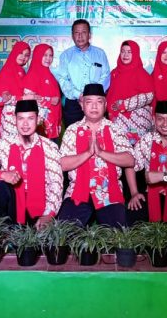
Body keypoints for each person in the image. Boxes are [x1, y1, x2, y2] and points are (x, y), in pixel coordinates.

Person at [0, 99, 63, 229]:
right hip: (13, 204)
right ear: (14, 120)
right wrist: (2, 174)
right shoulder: (4, 144)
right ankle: (3, 229)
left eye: (30, 118)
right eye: (21, 118)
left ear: (38, 120)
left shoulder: (50, 147)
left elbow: (56, 184)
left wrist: (48, 214)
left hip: (38, 205)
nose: (25, 124)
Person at [57, 84, 134, 227]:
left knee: (119, 236)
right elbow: (63, 164)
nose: (94, 106)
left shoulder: (115, 129)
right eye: (89, 102)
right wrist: (88, 153)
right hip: (77, 192)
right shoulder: (72, 130)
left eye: (99, 102)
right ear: (82, 105)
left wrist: (101, 153)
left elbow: (130, 160)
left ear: (105, 105)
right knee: (64, 234)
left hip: (108, 192)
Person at [54, 19, 110, 126]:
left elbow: (105, 76)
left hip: (95, 103)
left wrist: (92, 94)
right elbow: (63, 79)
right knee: (73, 134)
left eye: (83, 32)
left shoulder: (100, 53)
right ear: (72, 36)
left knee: (97, 133)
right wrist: (78, 95)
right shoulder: (66, 55)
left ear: (89, 34)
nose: (80, 36)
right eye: (77, 33)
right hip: (73, 103)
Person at [106, 40, 154, 146]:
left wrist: (124, 104)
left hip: (138, 119)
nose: (125, 55)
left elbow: (149, 96)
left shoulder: (141, 73)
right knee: (120, 148)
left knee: (138, 149)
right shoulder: (114, 73)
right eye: (123, 51)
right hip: (118, 119)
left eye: (129, 52)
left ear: (135, 54)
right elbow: (110, 95)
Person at [21, 44, 62, 141]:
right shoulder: (32, 75)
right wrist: (49, 101)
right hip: (40, 126)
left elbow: (57, 101)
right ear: (38, 55)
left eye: (50, 55)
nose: (48, 58)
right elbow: (28, 100)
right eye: (45, 55)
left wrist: (58, 122)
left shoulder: (50, 75)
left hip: (53, 124)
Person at [0, 41, 31, 141]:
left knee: (23, 144)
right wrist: (24, 98)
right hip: (10, 115)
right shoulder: (7, 70)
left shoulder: (21, 71)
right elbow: (4, 99)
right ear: (14, 52)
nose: (23, 57)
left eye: (26, 55)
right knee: (9, 144)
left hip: (22, 113)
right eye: (20, 53)